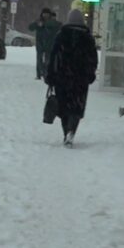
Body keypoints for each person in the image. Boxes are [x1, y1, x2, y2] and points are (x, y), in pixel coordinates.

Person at [45, 9, 99, 147]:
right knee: (77, 106)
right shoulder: (87, 37)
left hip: (62, 77)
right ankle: (71, 131)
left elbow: (53, 56)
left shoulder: (61, 35)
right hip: (80, 79)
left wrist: (50, 75)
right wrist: (90, 74)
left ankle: (66, 132)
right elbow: (93, 58)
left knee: (63, 107)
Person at [31, 9, 61, 79]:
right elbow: (31, 27)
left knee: (48, 60)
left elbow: (58, 25)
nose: (45, 15)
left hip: (49, 44)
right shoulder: (38, 21)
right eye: (44, 14)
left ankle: (45, 73)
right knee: (39, 59)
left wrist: (43, 24)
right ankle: (39, 73)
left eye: (47, 14)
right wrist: (36, 24)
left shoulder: (52, 22)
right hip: (40, 43)